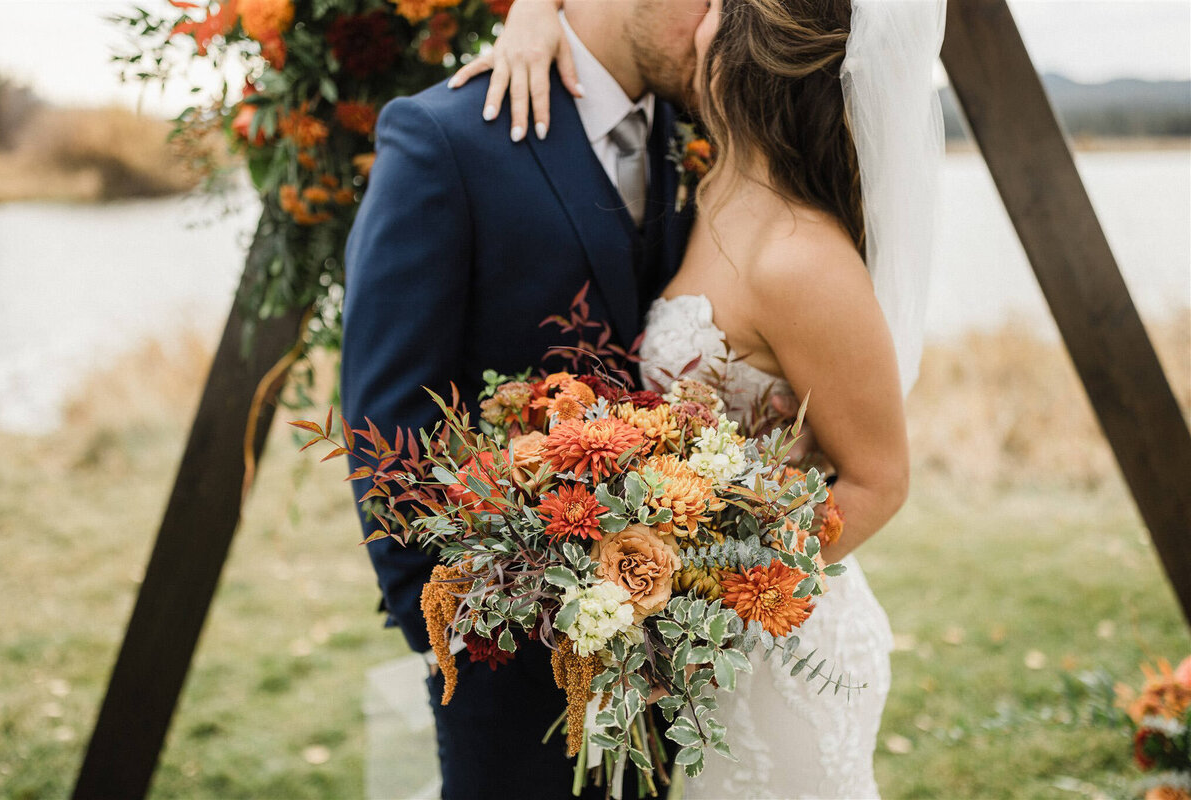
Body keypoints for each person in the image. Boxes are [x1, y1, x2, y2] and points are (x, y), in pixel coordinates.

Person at [448, 0, 946, 796]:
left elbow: (880, 480)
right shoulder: (707, 182)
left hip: (779, 647)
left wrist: (705, 582)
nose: (699, 7)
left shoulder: (801, 259)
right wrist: (537, 12)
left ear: (749, 50)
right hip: (696, 659)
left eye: (719, 2)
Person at [339, 2, 714, 797]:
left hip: (665, 652)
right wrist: (456, 636)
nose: (731, 23)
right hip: (504, 665)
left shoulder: (695, 132)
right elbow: (387, 415)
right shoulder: (443, 139)